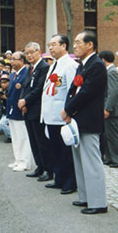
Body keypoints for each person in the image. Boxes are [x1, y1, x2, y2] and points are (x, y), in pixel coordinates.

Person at [62, 31, 108, 215]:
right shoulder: (83, 65)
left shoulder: (96, 65)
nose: (75, 46)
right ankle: (85, 197)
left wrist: (68, 109)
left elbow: (86, 92)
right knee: (80, 160)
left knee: (91, 161)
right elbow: (74, 88)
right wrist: (68, 108)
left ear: (90, 45)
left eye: (78, 42)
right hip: (78, 119)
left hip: (89, 119)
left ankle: (98, 202)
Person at [41, 34, 77, 195]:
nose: (51, 48)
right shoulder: (53, 65)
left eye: (54, 44)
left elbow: (72, 90)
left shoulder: (69, 65)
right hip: (50, 115)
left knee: (65, 152)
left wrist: (69, 111)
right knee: (55, 149)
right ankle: (59, 178)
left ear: (64, 46)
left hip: (61, 115)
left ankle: (70, 182)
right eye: (49, 45)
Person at [18, 42, 53, 182]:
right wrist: (22, 101)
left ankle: (48, 169)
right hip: (28, 109)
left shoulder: (44, 67)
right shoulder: (30, 68)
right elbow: (25, 87)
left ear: (39, 52)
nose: (29, 55)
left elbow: (39, 89)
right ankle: (39, 166)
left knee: (41, 141)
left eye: (32, 52)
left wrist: (25, 101)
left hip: (37, 109)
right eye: (27, 53)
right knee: (33, 140)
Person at [6, 51, 33, 172]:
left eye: (14, 59)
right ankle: (18, 159)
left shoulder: (26, 73)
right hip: (12, 109)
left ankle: (24, 161)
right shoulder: (13, 75)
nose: (12, 62)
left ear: (21, 61)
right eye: (11, 59)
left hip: (20, 109)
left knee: (22, 137)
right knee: (15, 137)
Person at [99, 50, 118, 168]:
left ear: (103, 60)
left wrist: (108, 108)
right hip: (109, 110)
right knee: (108, 135)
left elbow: (113, 92)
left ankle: (115, 159)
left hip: (112, 111)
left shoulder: (111, 72)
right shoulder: (109, 71)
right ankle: (110, 158)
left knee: (112, 136)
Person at [0, 74, 11, 143]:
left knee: (2, 124)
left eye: (5, 82)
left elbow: (12, 101)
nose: (3, 84)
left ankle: (11, 137)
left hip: (11, 111)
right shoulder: (2, 90)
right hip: (4, 112)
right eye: (2, 82)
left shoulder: (11, 89)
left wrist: (5, 98)